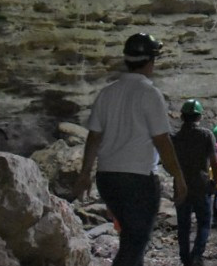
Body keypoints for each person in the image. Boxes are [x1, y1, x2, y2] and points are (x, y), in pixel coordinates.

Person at [72, 33, 187, 266]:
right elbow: (162, 141)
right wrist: (179, 176)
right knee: (135, 242)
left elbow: (94, 137)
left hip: (107, 178)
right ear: (151, 61)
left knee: (130, 239)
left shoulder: (107, 93)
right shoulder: (149, 93)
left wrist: (85, 174)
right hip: (138, 180)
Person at [172, 99, 217, 266]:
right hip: (201, 183)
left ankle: (185, 258)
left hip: (180, 184)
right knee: (204, 222)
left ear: (183, 116)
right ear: (199, 116)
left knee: (183, 224)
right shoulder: (206, 135)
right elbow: (214, 161)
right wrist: (216, 181)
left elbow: (169, 162)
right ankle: (197, 254)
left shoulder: (175, 137)